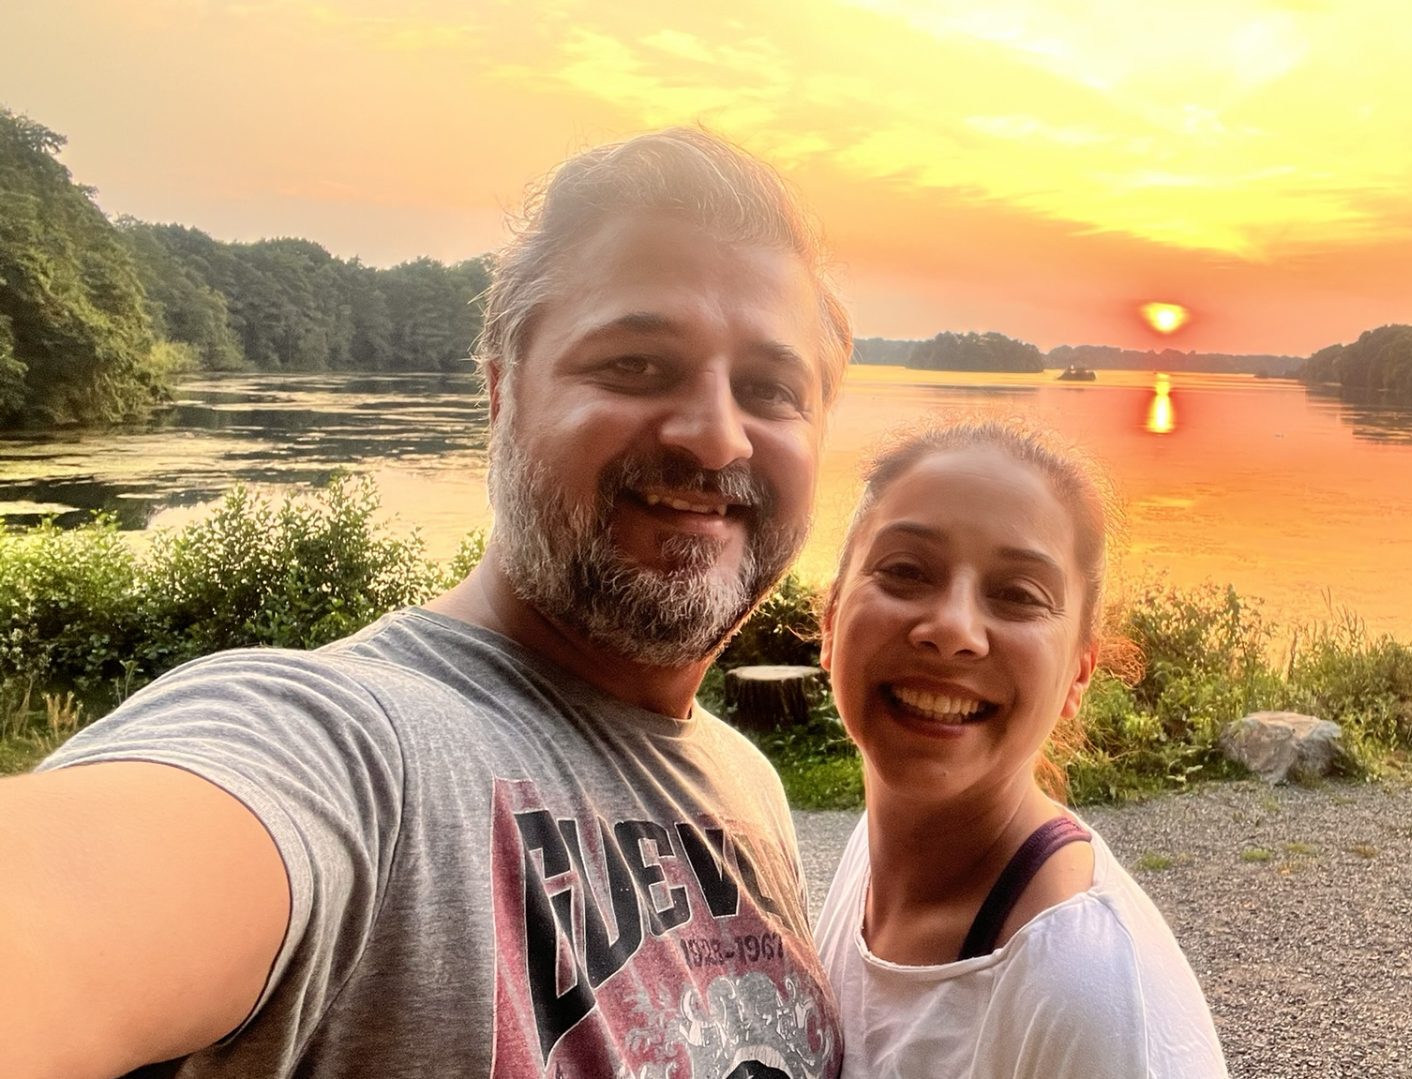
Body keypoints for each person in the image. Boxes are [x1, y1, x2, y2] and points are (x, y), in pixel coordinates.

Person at [0, 129, 850, 1079]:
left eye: (771, 388)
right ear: (501, 393)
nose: (715, 436)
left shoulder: (745, 783)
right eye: (635, 364)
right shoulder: (346, 751)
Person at [813, 420, 1229, 1077]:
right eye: (905, 570)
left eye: (1017, 594)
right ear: (831, 620)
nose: (953, 628)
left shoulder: (1086, 989)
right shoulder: (874, 855)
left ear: (1078, 674)